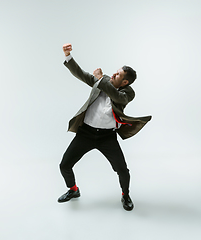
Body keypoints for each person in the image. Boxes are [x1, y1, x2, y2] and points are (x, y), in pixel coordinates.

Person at [58, 43, 152, 211]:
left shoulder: (127, 93)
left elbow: (117, 97)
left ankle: (125, 194)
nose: (113, 74)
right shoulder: (103, 81)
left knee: (122, 170)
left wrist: (102, 80)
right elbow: (81, 74)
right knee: (65, 165)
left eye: (118, 74)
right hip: (86, 133)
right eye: (116, 71)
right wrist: (68, 56)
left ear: (125, 82)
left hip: (107, 137)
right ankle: (73, 190)